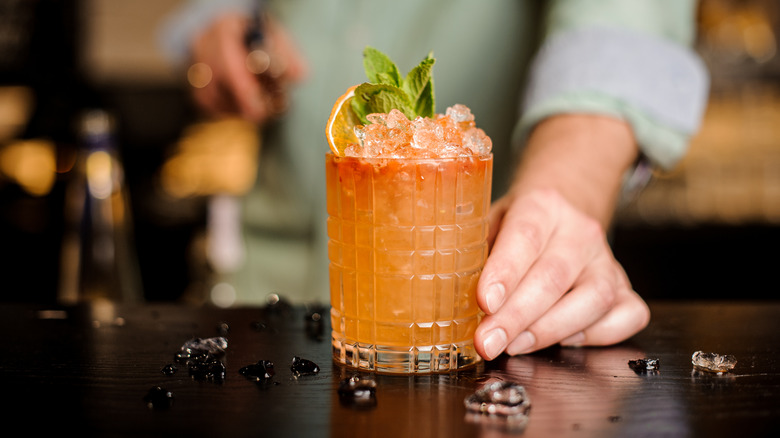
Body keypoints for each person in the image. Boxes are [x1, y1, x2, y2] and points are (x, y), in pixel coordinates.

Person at [159, 0, 709, 360]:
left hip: (481, 336)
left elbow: (619, 34)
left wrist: (563, 195)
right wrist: (223, 29)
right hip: (258, 309)